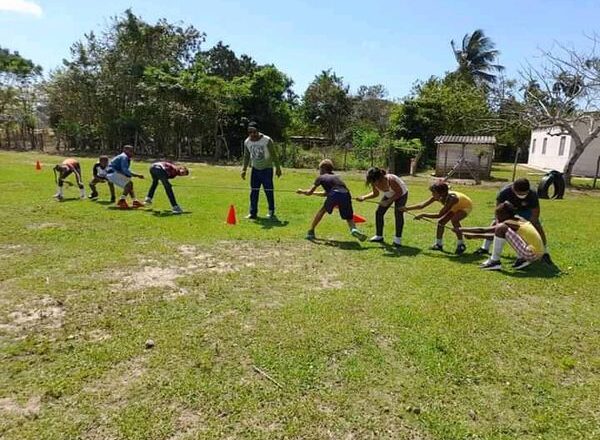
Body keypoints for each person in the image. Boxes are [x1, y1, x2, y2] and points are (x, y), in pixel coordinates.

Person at [474, 178, 552, 264]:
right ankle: (485, 247)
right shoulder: (504, 192)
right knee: (495, 224)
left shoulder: (532, 194)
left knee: (537, 226)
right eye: (519, 193)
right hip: (508, 211)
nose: (521, 195)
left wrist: (531, 223)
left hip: (525, 211)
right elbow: (498, 210)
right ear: (513, 189)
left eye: (524, 194)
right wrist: (498, 222)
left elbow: (535, 214)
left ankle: (545, 252)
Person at [457, 201, 544, 270]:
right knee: (501, 229)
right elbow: (494, 236)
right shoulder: (519, 219)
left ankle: (495, 261)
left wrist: (461, 229)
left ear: (505, 215)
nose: (497, 218)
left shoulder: (508, 223)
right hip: (537, 253)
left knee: (500, 227)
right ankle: (522, 260)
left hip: (531, 253)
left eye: (498, 216)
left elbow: (484, 230)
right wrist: (472, 236)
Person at [297, 159, 367, 241]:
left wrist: (301, 191)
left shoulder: (320, 177)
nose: (319, 171)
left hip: (334, 193)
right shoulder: (336, 177)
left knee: (322, 211)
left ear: (323, 169)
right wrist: (314, 193)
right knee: (349, 216)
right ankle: (354, 229)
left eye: (319, 169)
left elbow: (309, 192)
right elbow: (325, 194)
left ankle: (311, 231)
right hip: (346, 194)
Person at [403, 181, 472, 254]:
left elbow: (439, 215)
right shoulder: (437, 196)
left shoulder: (452, 199)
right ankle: (438, 244)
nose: (432, 194)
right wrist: (406, 208)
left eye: (434, 192)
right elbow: (422, 205)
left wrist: (423, 215)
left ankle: (461, 244)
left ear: (441, 193)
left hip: (465, 206)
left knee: (454, 220)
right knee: (441, 223)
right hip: (454, 207)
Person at [356, 167, 409, 247]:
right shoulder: (374, 182)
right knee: (379, 213)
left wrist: (388, 201)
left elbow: (399, 192)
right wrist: (364, 197)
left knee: (398, 214)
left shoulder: (391, 180)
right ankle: (379, 236)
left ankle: (397, 239)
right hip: (389, 195)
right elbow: (375, 194)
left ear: (379, 177)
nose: (373, 183)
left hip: (401, 194)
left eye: (374, 180)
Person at [240, 122, 282, 219]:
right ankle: (253, 213)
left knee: (268, 191)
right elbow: (246, 157)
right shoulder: (247, 142)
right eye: (250, 132)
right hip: (255, 170)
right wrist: (244, 169)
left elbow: (274, 155)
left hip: (267, 169)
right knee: (254, 192)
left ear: (258, 131)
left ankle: (271, 211)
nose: (252, 134)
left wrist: (278, 168)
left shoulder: (267, 140)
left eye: (254, 132)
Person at [106, 145, 145, 209]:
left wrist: (132, 175)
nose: (132, 153)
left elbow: (124, 170)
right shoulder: (124, 157)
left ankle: (135, 201)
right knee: (128, 184)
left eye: (132, 151)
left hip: (113, 173)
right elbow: (125, 170)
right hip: (112, 173)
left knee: (130, 184)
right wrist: (137, 175)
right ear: (125, 150)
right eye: (130, 151)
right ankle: (122, 201)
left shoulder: (124, 156)